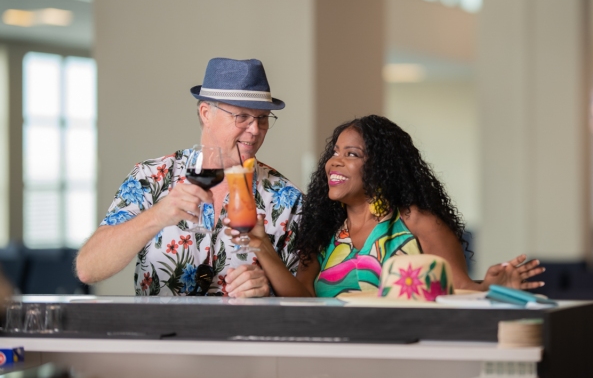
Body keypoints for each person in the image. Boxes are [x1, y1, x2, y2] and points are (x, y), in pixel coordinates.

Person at [76, 58, 303, 297]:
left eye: (262, 118)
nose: (255, 130)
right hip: (158, 332)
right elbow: (88, 269)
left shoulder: (288, 200)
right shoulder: (151, 177)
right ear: (206, 113)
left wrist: (268, 294)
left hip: (241, 333)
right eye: (242, 116)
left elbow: (304, 305)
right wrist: (157, 216)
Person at [283, 115, 545, 297]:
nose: (334, 162)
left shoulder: (416, 221)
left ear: (380, 167)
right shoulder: (322, 229)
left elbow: (459, 288)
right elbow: (302, 295)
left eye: (351, 154)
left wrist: (492, 288)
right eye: (335, 152)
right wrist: (260, 244)